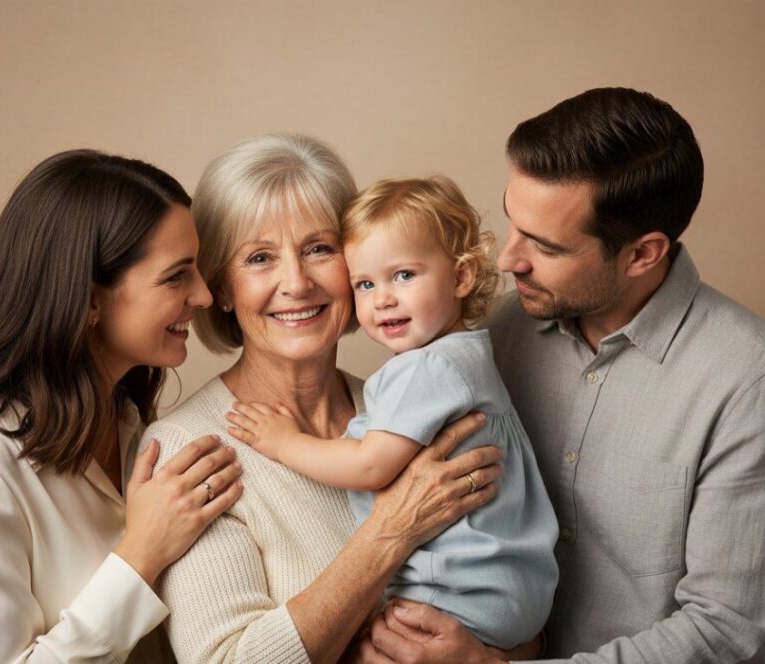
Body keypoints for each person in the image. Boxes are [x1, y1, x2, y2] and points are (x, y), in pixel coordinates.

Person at [356, 88, 765, 663]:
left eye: (545, 247)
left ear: (642, 254)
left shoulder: (752, 382)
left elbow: (728, 631)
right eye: (514, 223)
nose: (507, 260)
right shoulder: (497, 334)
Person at [139, 134, 518, 664]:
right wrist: (390, 532)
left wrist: (486, 659)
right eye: (260, 258)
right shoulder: (187, 447)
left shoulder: (418, 409)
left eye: (319, 249)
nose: (296, 283)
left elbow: (519, 589)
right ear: (221, 288)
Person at [0, 149, 244, 663]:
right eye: (177, 275)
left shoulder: (131, 423)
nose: (203, 296)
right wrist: (141, 555)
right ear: (89, 299)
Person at [226, 175, 558, 650]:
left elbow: (369, 466)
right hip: (511, 594)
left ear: (461, 277)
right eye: (364, 283)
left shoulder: (426, 368)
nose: (382, 298)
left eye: (403, 275)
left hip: (459, 598)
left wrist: (284, 442)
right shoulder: (467, 357)